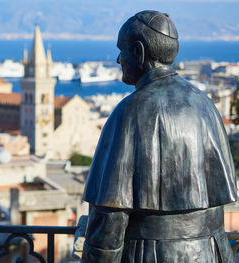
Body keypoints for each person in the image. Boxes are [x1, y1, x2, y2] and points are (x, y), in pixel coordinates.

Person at [82, 10, 237, 262]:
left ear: (138, 52)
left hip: (151, 255)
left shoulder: (129, 112)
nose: (117, 59)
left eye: (122, 50)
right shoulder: (204, 103)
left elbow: (109, 218)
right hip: (211, 252)